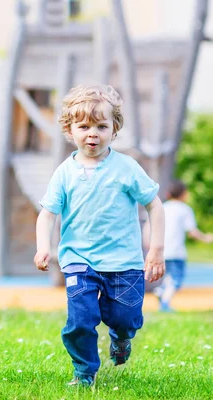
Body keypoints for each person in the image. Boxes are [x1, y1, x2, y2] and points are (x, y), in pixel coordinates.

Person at [33, 84, 165, 387]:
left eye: (101, 126)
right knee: (80, 320)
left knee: (124, 318)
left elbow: (154, 205)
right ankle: (84, 372)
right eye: (84, 126)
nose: (92, 133)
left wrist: (155, 251)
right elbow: (48, 213)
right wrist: (43, 247)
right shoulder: (64, 172)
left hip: (125, 262)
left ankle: (120, 338)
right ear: (70, 130)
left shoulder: (126, 168)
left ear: (114, 129)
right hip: (79, 260)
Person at [154, 179, 213, 311]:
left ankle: (160, 290)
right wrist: (206, 238)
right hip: (177, 251)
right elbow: (192, 232)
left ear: (168, 194)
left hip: (162, 250)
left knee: (168, 276)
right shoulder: (185, 209)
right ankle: (165, 303)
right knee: (176, 279)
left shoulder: (163, 207)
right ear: (184, 194)